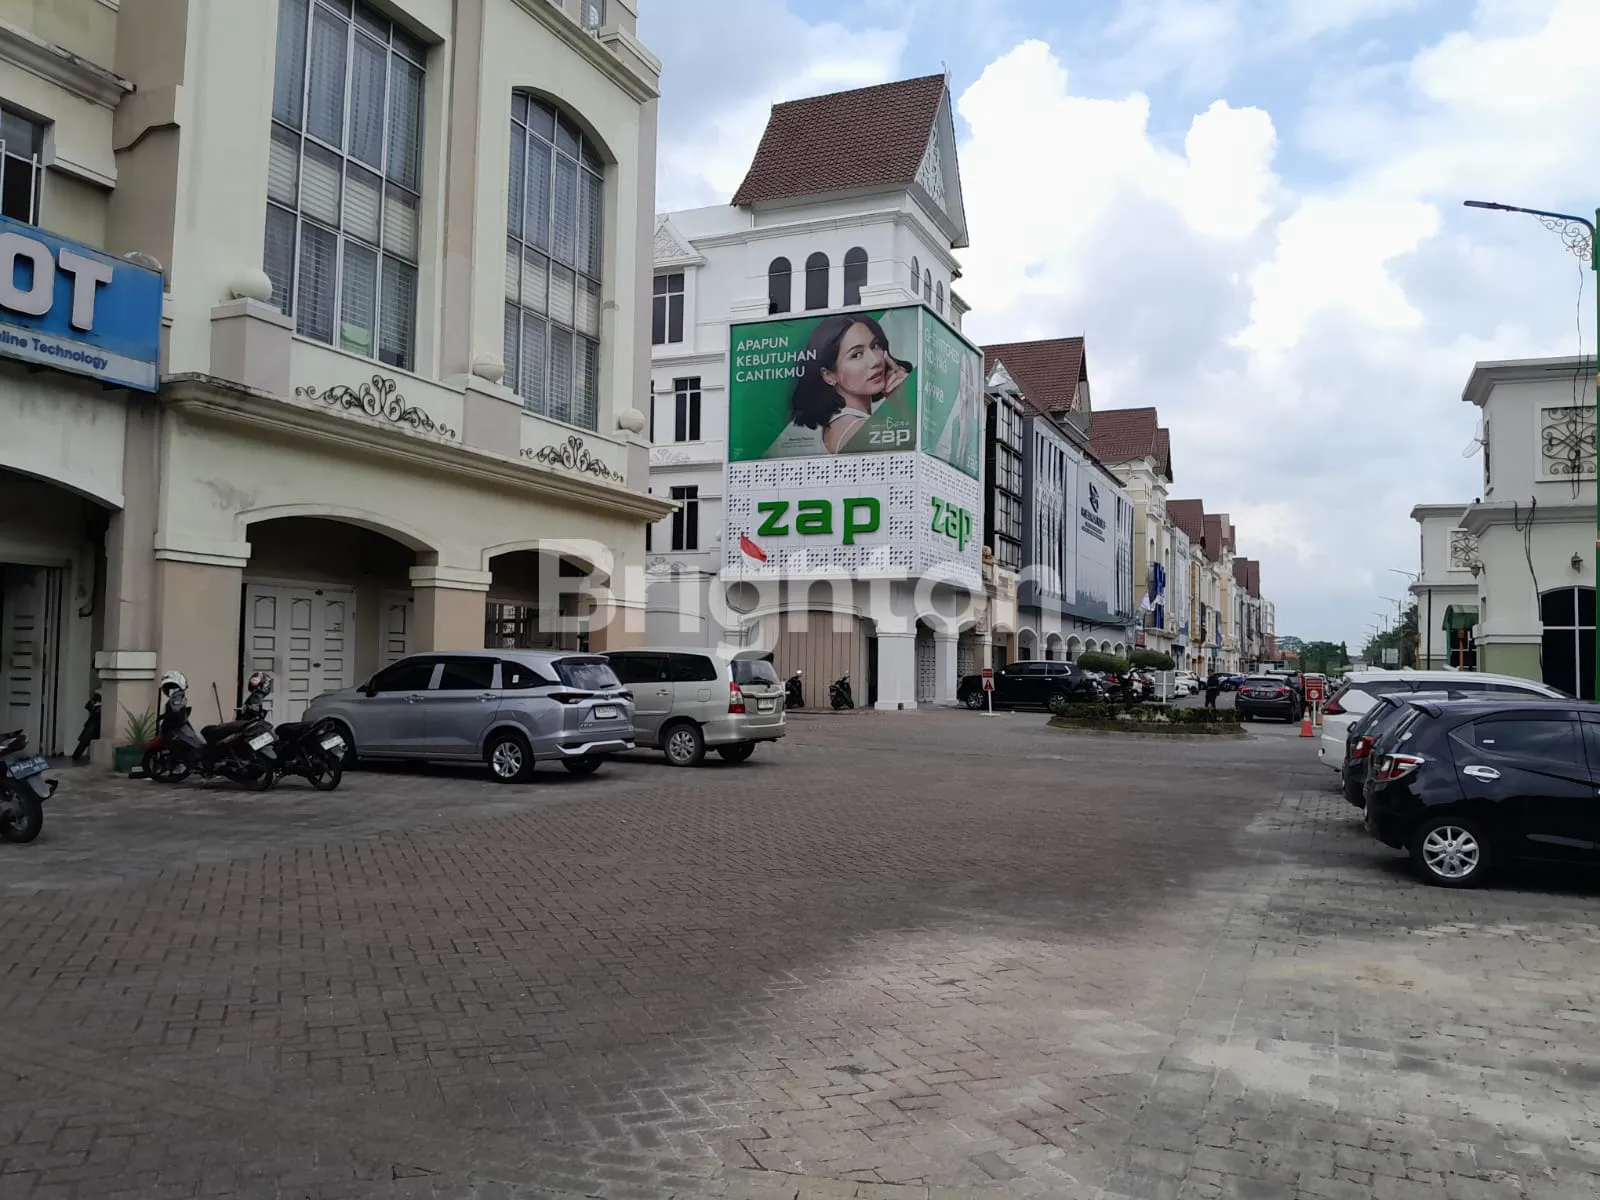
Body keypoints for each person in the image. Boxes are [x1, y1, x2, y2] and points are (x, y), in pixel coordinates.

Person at [790, 314, 913, 453]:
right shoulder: (858, 428)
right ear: (829, 375)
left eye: (874, 346)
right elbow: (912, 459)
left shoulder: (841, 424)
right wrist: (905, 407)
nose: (875, 361)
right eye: (857, 355)